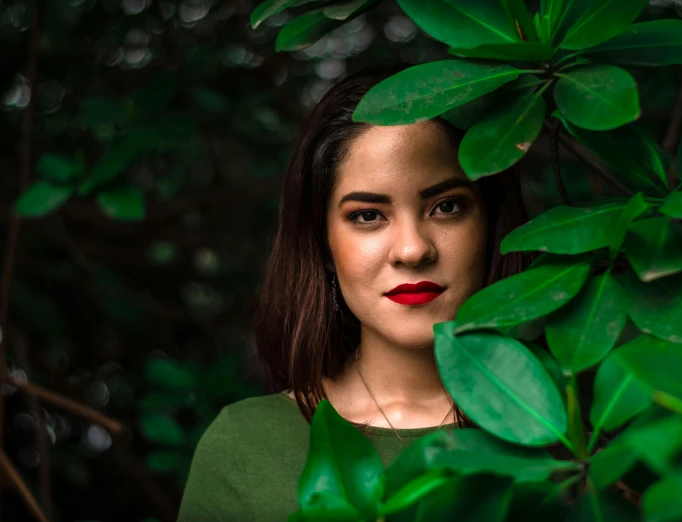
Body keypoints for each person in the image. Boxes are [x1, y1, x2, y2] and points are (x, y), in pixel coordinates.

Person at [176, 65, 529, 522]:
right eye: (367, 216)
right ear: (323, 244)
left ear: (491, 222)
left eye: (446, 206)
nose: (412, 249)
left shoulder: (579, 429)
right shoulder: (246, 445)